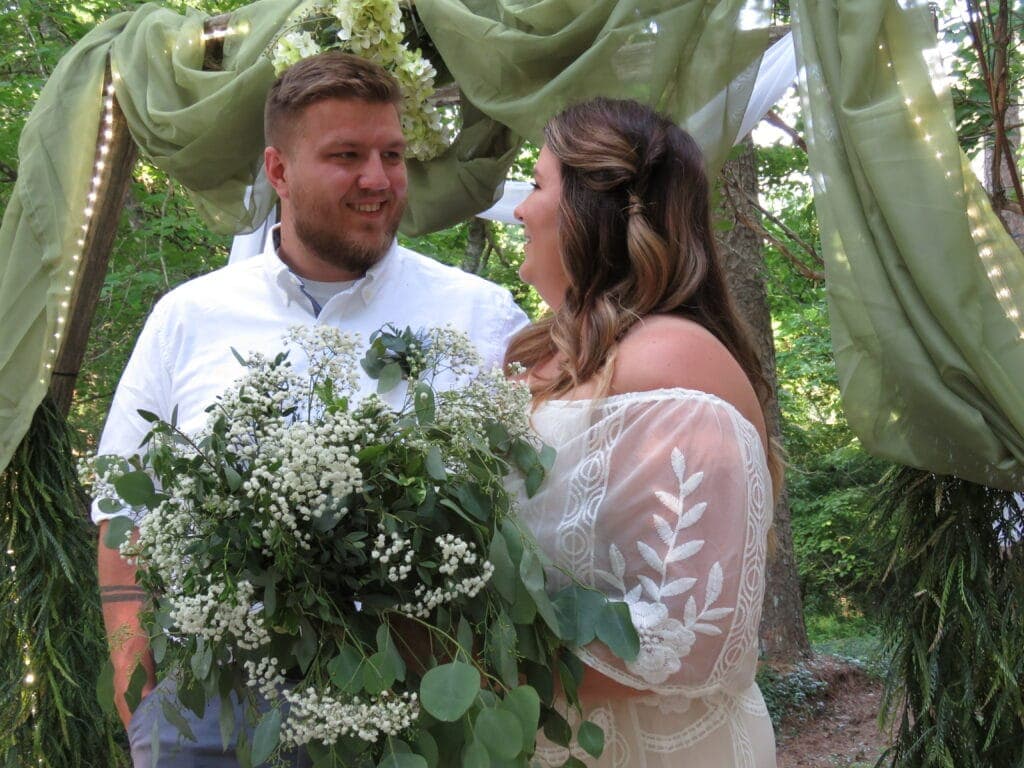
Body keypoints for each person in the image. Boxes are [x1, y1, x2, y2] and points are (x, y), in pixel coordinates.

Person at [93, 51, 528, 766]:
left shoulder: (478, 318)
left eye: (392, 154)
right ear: (279, 171)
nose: (379, 179)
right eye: (346, 155)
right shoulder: (189, 317)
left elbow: (530, 504)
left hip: (411, 700)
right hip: (214, 711)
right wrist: (131, 657)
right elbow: (124, 499)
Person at [507, 97, 781, 768]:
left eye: (538, 185)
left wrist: (473, 664)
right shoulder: (539, 353)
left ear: (589, 208)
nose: (519, 208)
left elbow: (689, 637)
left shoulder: (674, 360)